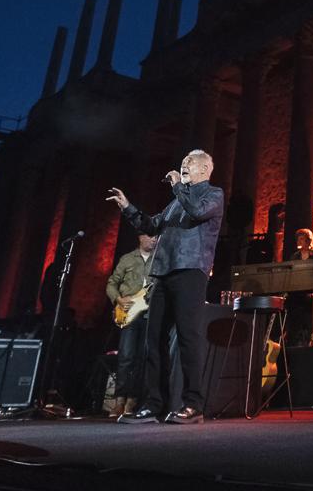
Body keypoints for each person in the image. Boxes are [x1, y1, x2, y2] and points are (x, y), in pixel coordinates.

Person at [107, 150, 224, 424]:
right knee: (153, 340)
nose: (183, 166)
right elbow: (150, 224)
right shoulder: (175, 203)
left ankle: (193, 404)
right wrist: (127, 207)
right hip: (163, 273)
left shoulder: (213, 195)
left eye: (189, 163)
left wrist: (178, 187)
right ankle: (153, 404)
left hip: (190, 271)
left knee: (187, 338)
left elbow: (197, 211)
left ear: (205, 169)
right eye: (182, 162)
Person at [104, 233, 158, 418]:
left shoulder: (160, 259)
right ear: (141, 237)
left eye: (156, 237)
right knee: (126, 356)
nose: (154, 240)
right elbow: (112, 283)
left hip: (150, 314)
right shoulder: (127, 259)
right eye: (151, 236)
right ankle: (119, 401)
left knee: (143, 358)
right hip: (129, 314)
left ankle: (133, 400)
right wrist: (118, 299)